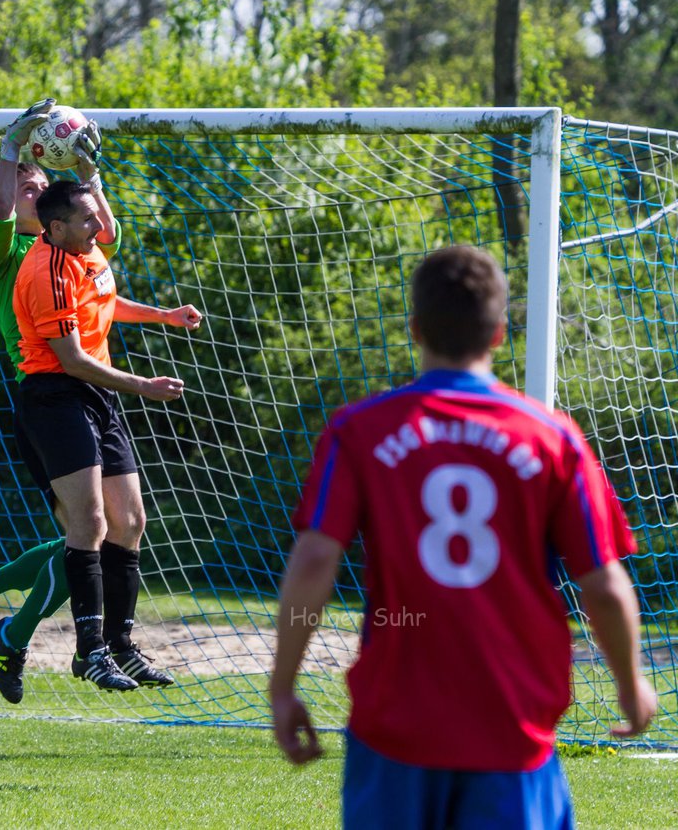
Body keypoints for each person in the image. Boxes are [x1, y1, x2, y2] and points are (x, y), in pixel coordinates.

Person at [270, 245, 655, 828]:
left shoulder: (361, 429)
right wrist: (631, 685)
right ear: (499, 333)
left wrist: (283, 687)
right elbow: (601, 584)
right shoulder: (553, 437)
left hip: (394, 725)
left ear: (415, 328)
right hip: (511, 726)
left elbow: (316, 558)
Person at [0, 99, 116, 704]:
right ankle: (8, 628)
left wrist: (88, 172)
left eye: (40, 182)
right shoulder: (4, 254)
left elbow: (106, 248)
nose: (31, 187)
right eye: (22, 184)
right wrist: (11, 148)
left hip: (87, 395)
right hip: (46, 397)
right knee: (86, 536)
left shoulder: (70, 250)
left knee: (90, 534)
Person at [12, 178, 202, 691]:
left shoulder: (87, 252)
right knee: (90, 521)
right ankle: (89, 651)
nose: (100, 226)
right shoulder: (45, 270)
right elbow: (71, 360)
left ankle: (121, 645)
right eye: (88, 219)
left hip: (97, 394)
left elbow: (105, 301)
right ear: (56, 228)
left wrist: (162, 315)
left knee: (132, 521)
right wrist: (144, 386)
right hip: (55, 396)